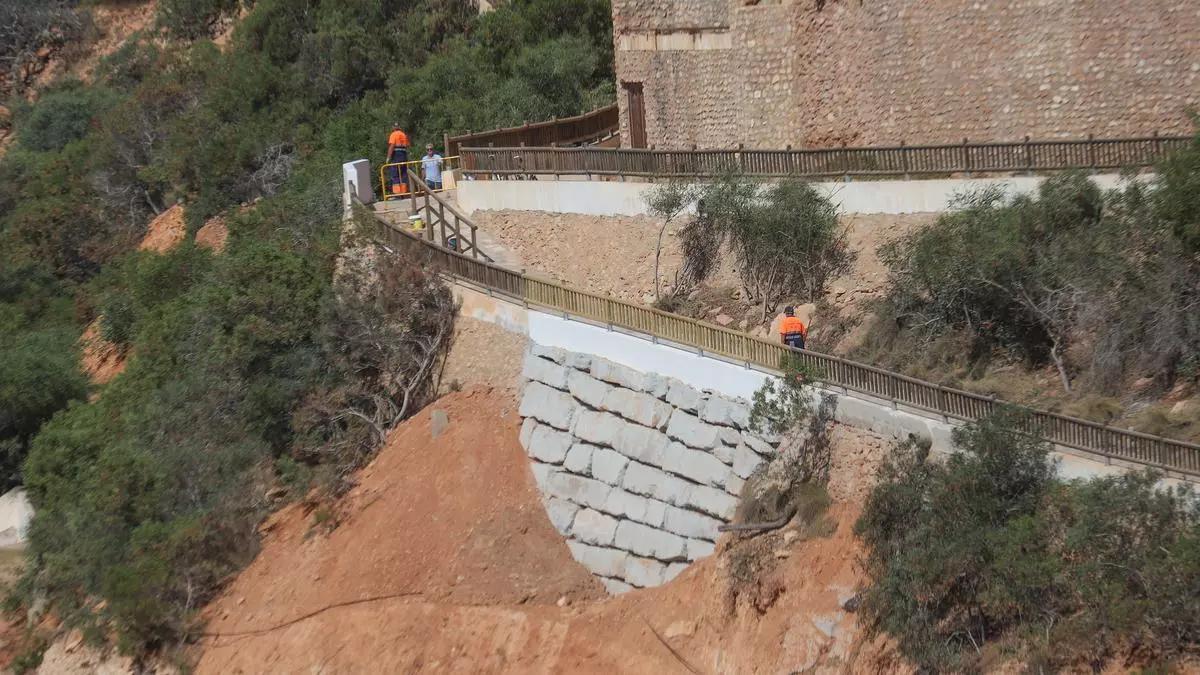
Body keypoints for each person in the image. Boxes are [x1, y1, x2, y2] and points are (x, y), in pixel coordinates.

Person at [385, 123, 410, 195]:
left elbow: (392, 146)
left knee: (395, 174)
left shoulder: (393, 134)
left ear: (394, 127)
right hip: (404, 154)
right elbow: (407, 145)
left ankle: (398, 193)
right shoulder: (403, 134)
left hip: (396, 155)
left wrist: (388, 157)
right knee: (403, 173)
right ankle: (404, 192)